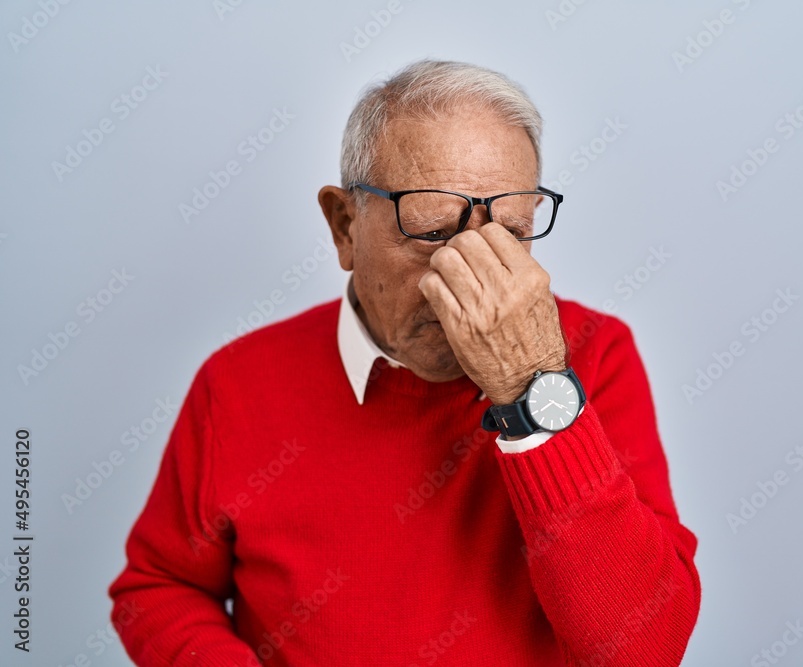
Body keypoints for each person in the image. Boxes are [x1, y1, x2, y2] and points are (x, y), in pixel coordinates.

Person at [108, 59, 700, 666]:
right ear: (344, 226)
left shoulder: (596, 355)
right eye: (433, 232)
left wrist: (532, 386)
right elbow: (158, 588)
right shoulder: (237, 383)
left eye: (510, 232)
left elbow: (644, 650)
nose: (469, 273)